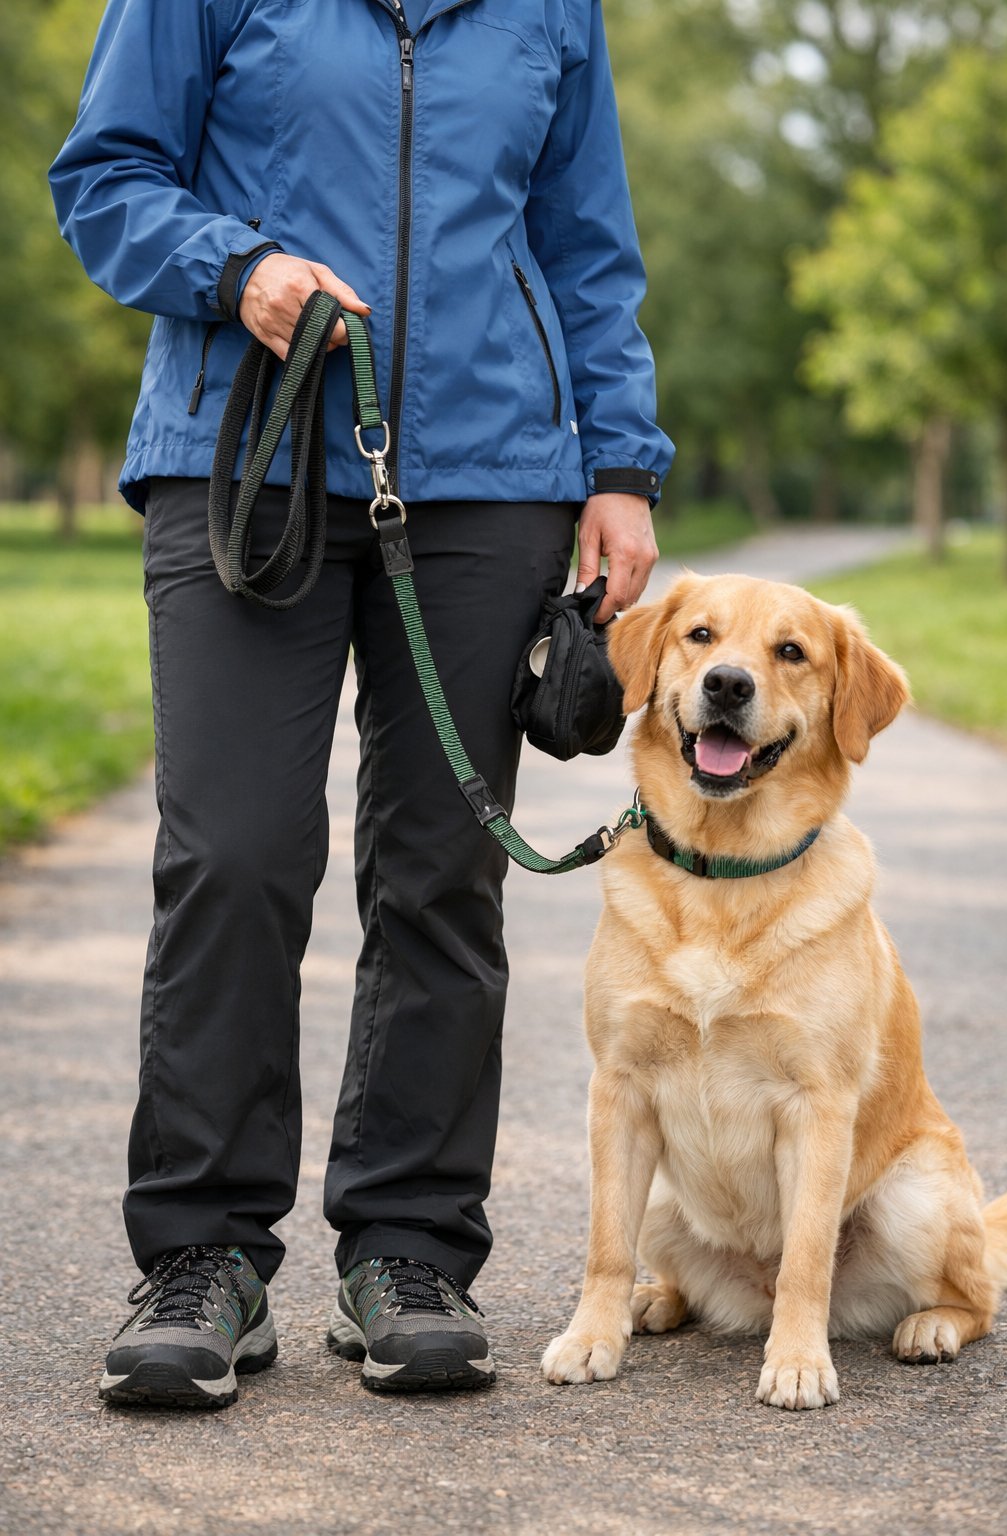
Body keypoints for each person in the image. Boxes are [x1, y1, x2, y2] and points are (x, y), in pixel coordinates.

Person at [50, 0, 674, 1406]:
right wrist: (237, 266)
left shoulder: (548, 11)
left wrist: (621, 461)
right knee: (233, 852)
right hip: (241, 453)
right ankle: (204, 1255)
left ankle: (409, 1250)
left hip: (491, 478)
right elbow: (103, 183)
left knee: (442, 866)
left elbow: (585, 239)